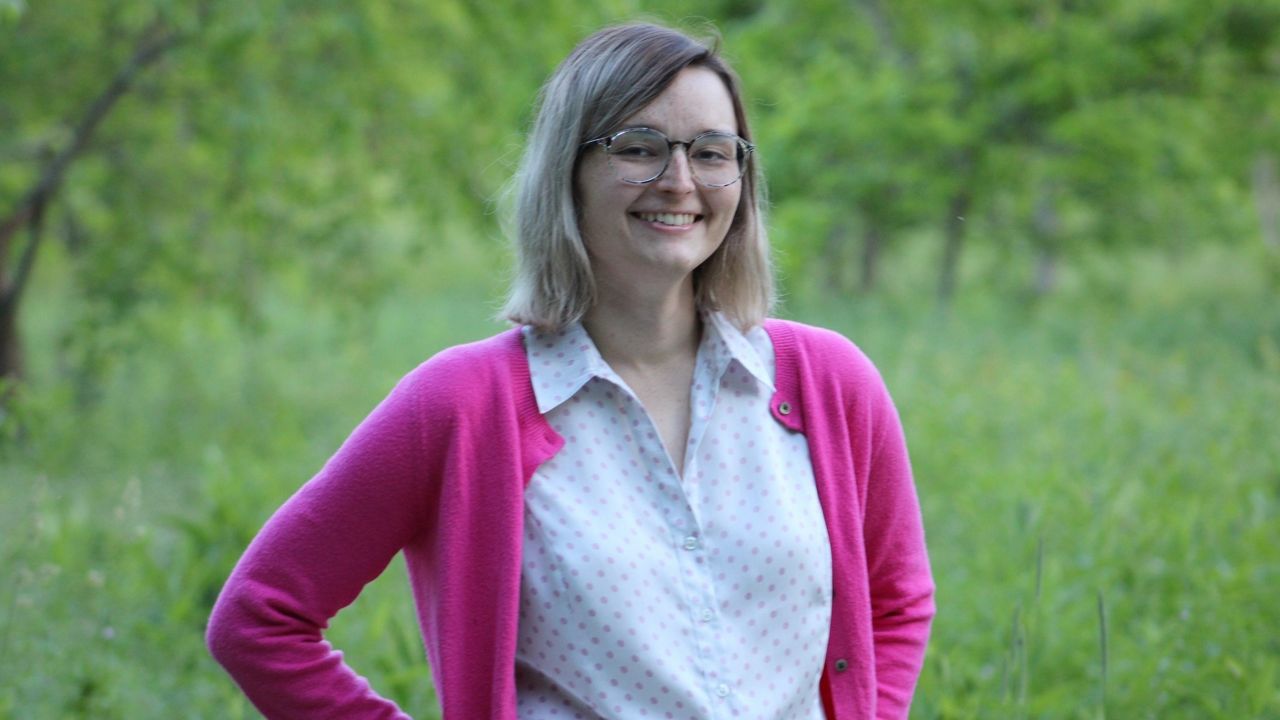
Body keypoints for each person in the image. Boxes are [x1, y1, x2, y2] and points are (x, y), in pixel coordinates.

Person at [207, 21, 934, 720]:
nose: (680, 180)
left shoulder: (827, 382)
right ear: (569, 171)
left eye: (713, 152)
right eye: (639, 147)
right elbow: (260, 620)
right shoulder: (461, 406)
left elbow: (896, 599)